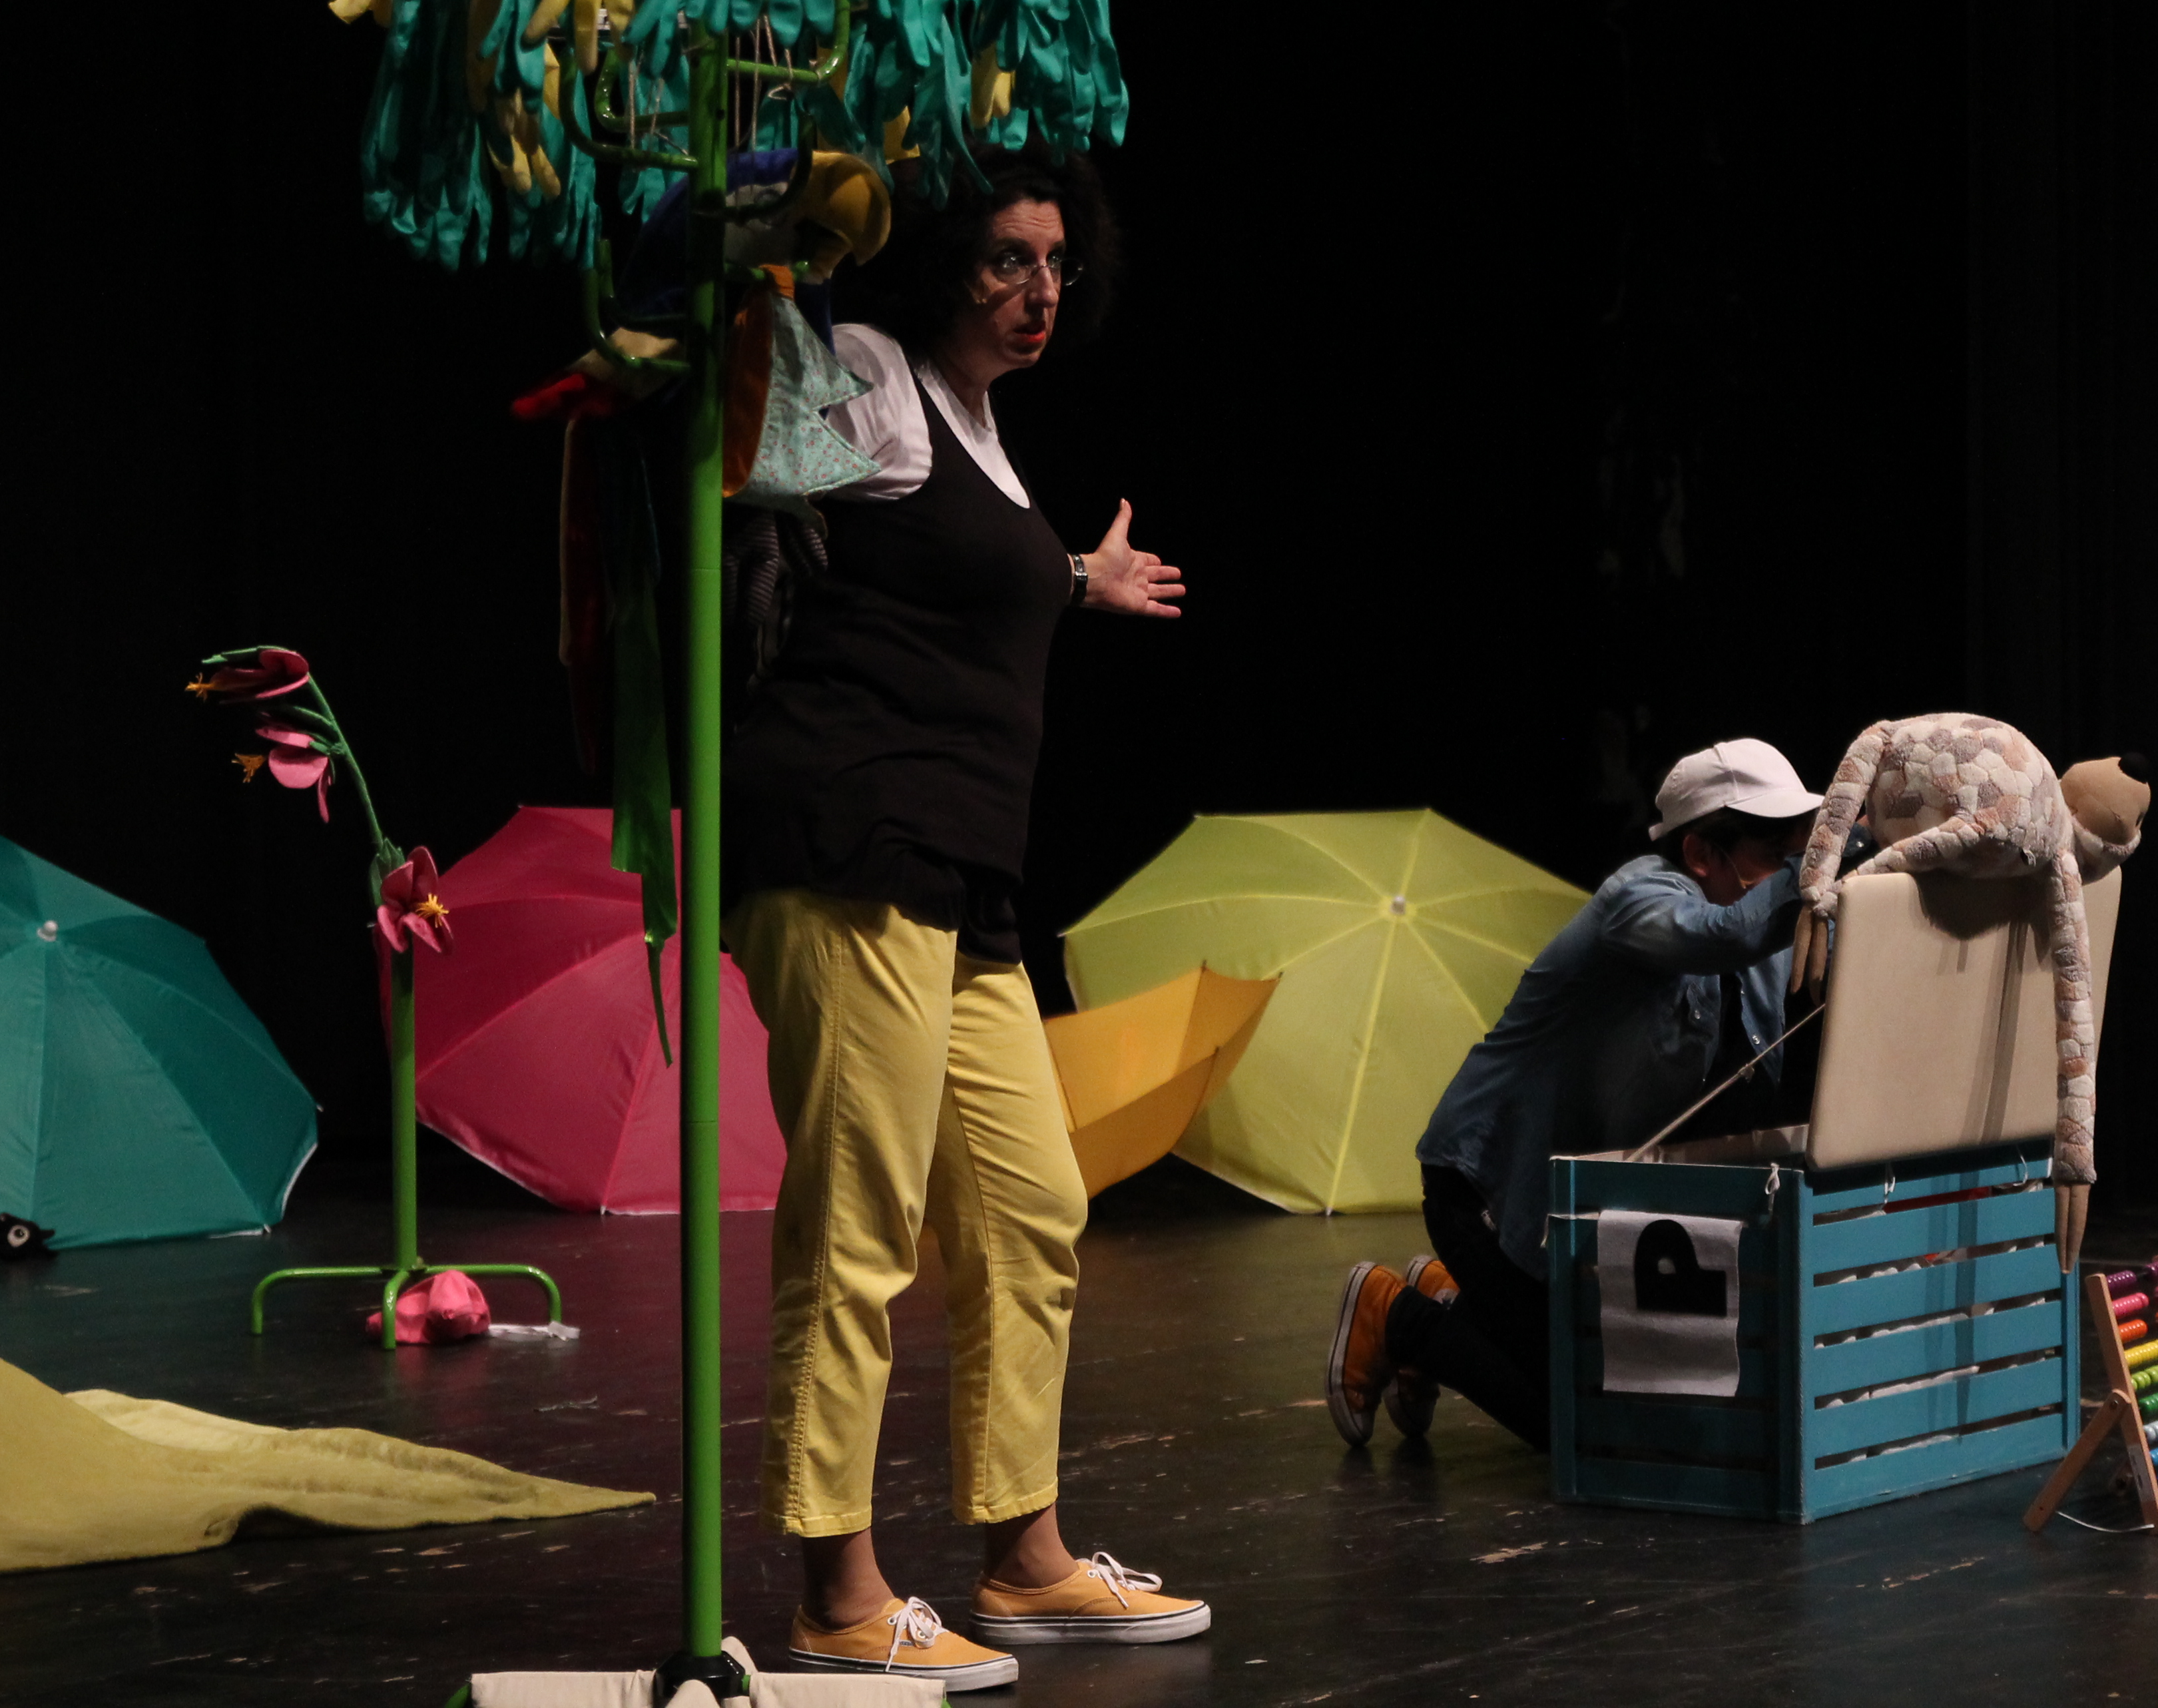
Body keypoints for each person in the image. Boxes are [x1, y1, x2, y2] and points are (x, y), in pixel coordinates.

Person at [720, 151, 1209, 1691]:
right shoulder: (872, 370)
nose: (1039, 288)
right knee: (860, 1225)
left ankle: (1026, 1554)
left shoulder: (980, 427)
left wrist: (1074, 576)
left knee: (1029, 1205)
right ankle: (836, 1590)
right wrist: (774, 254)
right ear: (941, 261)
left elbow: (940, 567)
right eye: (1007, 257)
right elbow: (759, 441)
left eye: (1058, 262)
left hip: (962, 872)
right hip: (850, 841)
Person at [1326, 738, 1845, 1452]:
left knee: (1613, 1400)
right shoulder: (1638, 902)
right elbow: (1724, 933)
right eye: (1777, 856)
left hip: (1578, 1204)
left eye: (1801, 853)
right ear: (1701, 852)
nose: (1800, 876)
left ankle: (1451, 1296)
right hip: (1493, 1192)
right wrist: (1836, 851)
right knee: (1577, 1427)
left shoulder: (1768, 925)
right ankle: (1394, 1316)